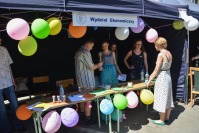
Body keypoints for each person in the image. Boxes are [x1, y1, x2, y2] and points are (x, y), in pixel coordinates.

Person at [0, 37, 28, 133]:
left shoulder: (4, 49)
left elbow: (8, 66)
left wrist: (13, 80)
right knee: (2, 110)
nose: (0, 39)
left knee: (15, 106)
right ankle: (6, 130)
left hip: (8, 83)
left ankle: (18, 126)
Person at [74, 39, 103, 125]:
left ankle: (83, 116)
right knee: (88, 100)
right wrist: (99, 64)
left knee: (82, 99)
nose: (91, 48)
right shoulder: (85, 52)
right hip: (87, 82)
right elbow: (92, 67)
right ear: (87, 44)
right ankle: (88, 118)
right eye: (91, 46)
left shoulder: (78, 51)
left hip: (81, 81)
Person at [147, 37, 174, 126]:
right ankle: (167, 118)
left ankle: (161, 120)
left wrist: (150, 79)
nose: (154, 46)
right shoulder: (169, 53)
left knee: (162, 97)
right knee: (168, 97)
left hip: (162, 77)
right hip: (168, 76)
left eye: (155, 44)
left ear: (158, 45)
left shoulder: (160, 55)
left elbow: (156, 70)